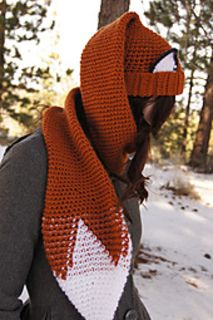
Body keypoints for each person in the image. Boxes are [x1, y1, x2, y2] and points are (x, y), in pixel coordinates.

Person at [0, 11, 184, 320]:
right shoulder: (34, 161)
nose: (158, 121)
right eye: (155, 103)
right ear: (114, 97)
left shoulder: (118, 163)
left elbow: (121, 284)